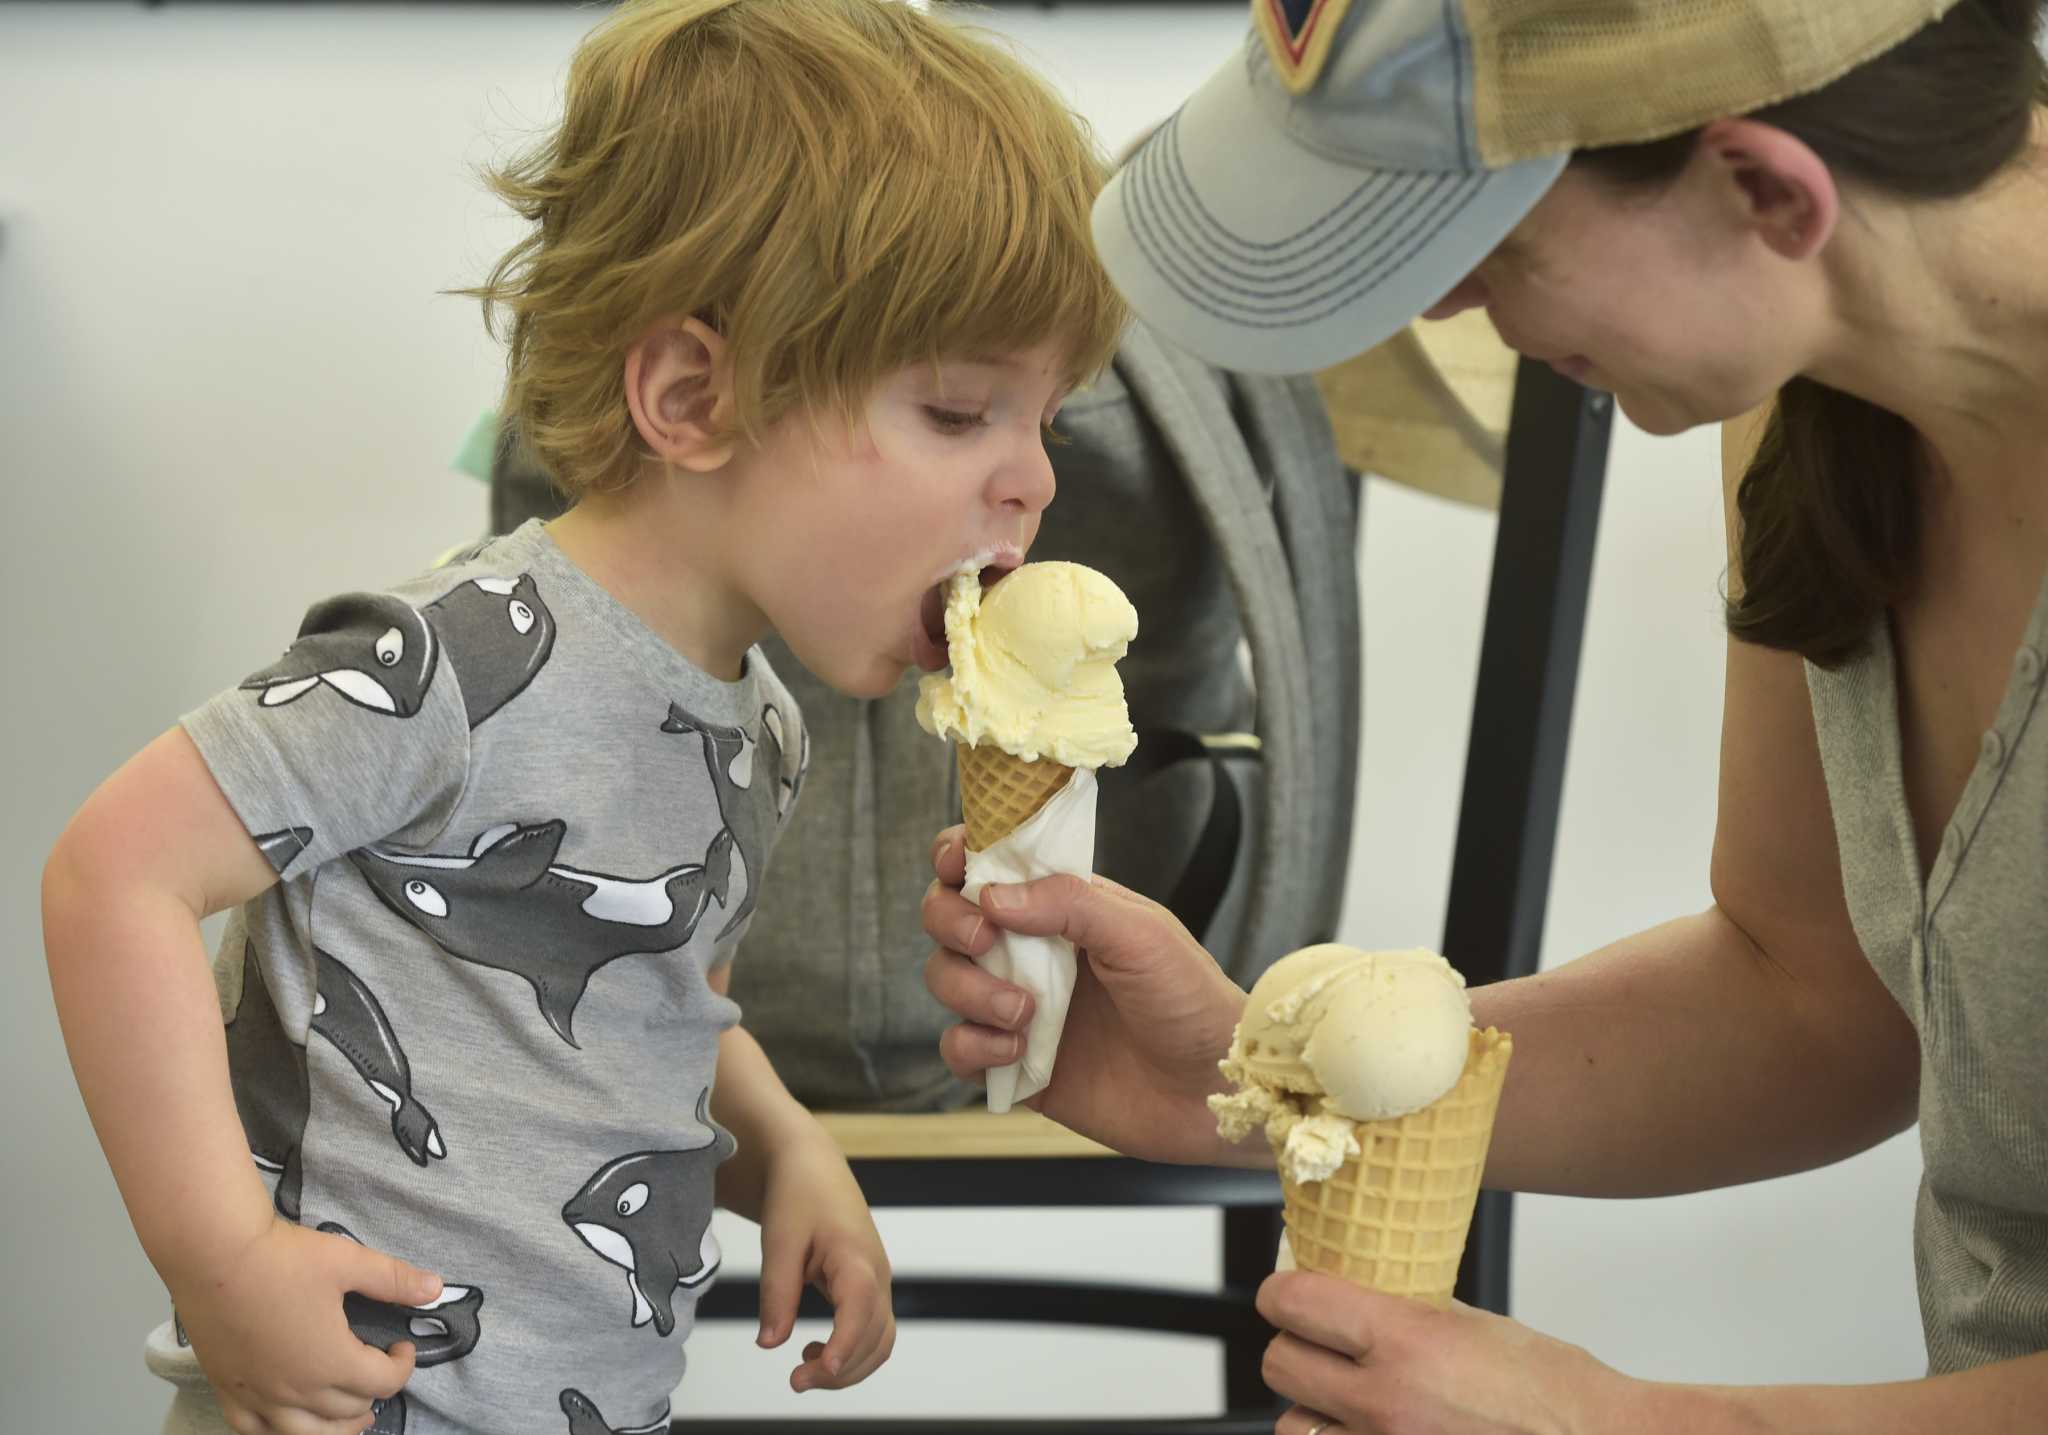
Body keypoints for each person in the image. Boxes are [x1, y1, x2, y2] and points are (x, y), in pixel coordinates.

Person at [923, 0, 2048, 1429]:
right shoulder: (1816, 400)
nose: (1441, 308)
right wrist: (1263, 1068)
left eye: (1489, 244)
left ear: (1766, 189)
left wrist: (1642, 1424)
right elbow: (1814, 996)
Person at [38, 0, 1123, 1431]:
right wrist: (222, 1260)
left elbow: (651, 999)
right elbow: (113, 873)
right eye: (959, 412)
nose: (1032, 480)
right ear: (693, 395)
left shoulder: (759, 726)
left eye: (1046, 420)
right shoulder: (452, 656)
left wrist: (784, 1144)